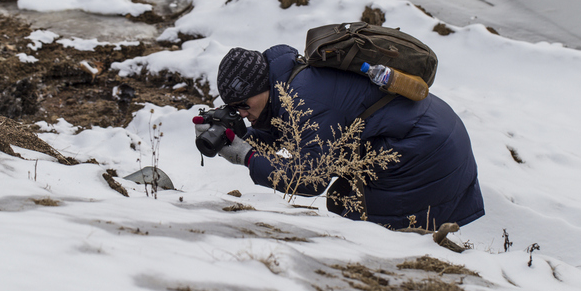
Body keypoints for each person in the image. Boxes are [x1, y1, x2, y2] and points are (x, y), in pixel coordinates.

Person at [194, 44, 485, 230]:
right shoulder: (289, 84)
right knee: (343, 203)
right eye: (233, 109)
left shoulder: (304, 98)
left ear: (263, 86)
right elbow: (301, 140)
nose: (242, 113)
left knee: (377, 237)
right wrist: (240, 135)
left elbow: (309, 179)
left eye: (244, 105)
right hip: (428, 129)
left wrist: (247, 156)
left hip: (423, 150)